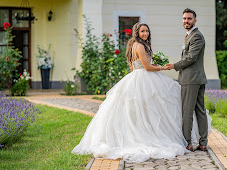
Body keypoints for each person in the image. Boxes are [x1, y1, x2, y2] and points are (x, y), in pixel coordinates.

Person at [72, 22, 211, 162]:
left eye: (147, 31)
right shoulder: (140, 46)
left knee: (147, 108)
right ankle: (152, 135)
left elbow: (133, 66)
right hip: (145, 77)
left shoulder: (133, 45)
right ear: (137, 33)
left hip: (136, 76)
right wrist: (162, 68)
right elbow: (147, 67)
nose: (145, 34)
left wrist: (153, 65)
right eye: (142, 31)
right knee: (151, 107)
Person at [166, 8, 209, 152]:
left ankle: (187, 143)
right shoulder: (189, 35)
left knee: (187, 111)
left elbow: (191, 58)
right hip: (195, 78)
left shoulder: (196, 36)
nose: (186, 21)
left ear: (195, 20)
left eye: (189, 19)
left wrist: (174, 66)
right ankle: (202, 143)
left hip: (191, 79)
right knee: (199, 111)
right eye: (184, 18)